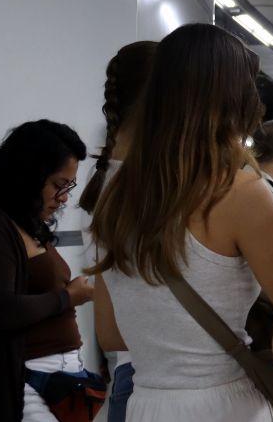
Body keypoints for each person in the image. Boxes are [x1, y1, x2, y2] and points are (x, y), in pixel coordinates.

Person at [89, 23, 273, 422]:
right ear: (231, 96)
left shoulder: (111, 195)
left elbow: (112, 334)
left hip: (145, 404)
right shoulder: (241, 192)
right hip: (224, 404)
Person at [0, 119, 99, 422]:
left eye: (69, 186)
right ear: (28, 175)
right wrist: (68, 297)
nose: (65, 197)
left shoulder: (31, 225)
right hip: (24, 386)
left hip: (61, 384)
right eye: (58, 185)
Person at [79, 40, 157, 422]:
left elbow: (109, 332)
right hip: (153, 374)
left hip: (127, 371)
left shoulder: (101, 184)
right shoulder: (144, 190)